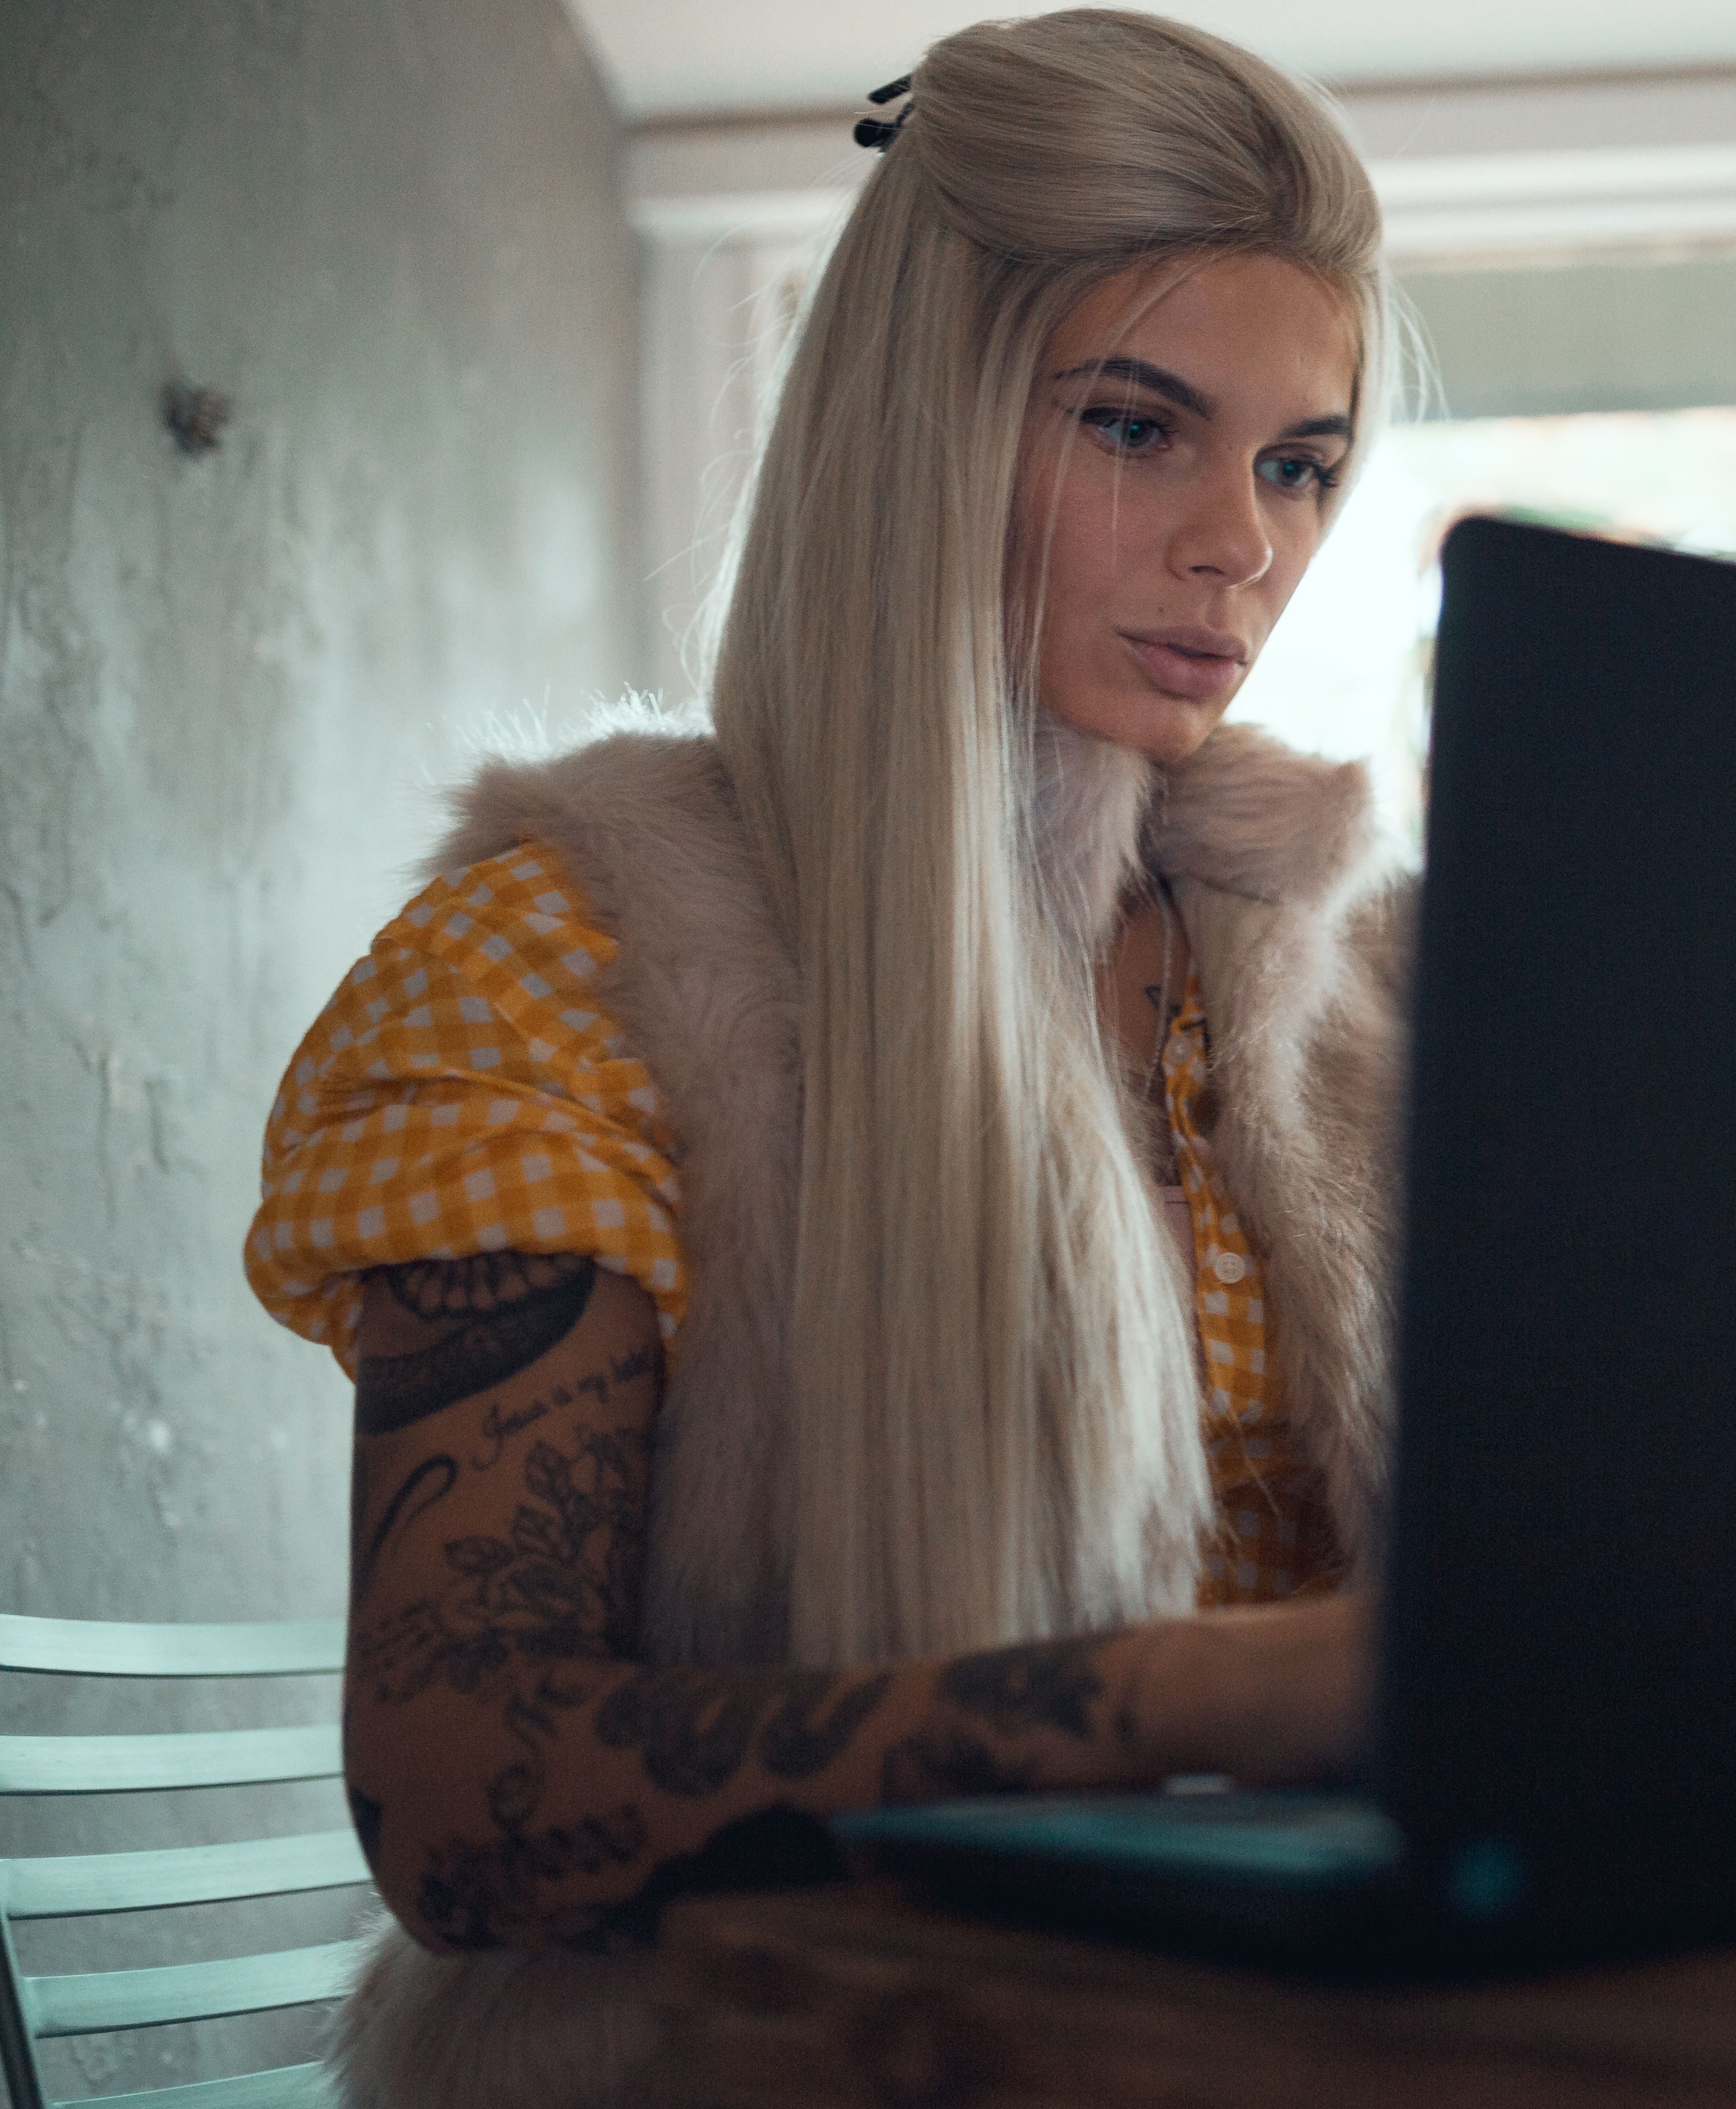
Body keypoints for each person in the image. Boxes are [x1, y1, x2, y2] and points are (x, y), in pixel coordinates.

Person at [242, 14, 1407, 2104]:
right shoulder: (568, 963)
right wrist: (1218, 1696)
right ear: (918, 426)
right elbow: (468, 1804)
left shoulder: (1369, 1006)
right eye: (1141, 426)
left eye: (1299, 462)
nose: (1243, 542)